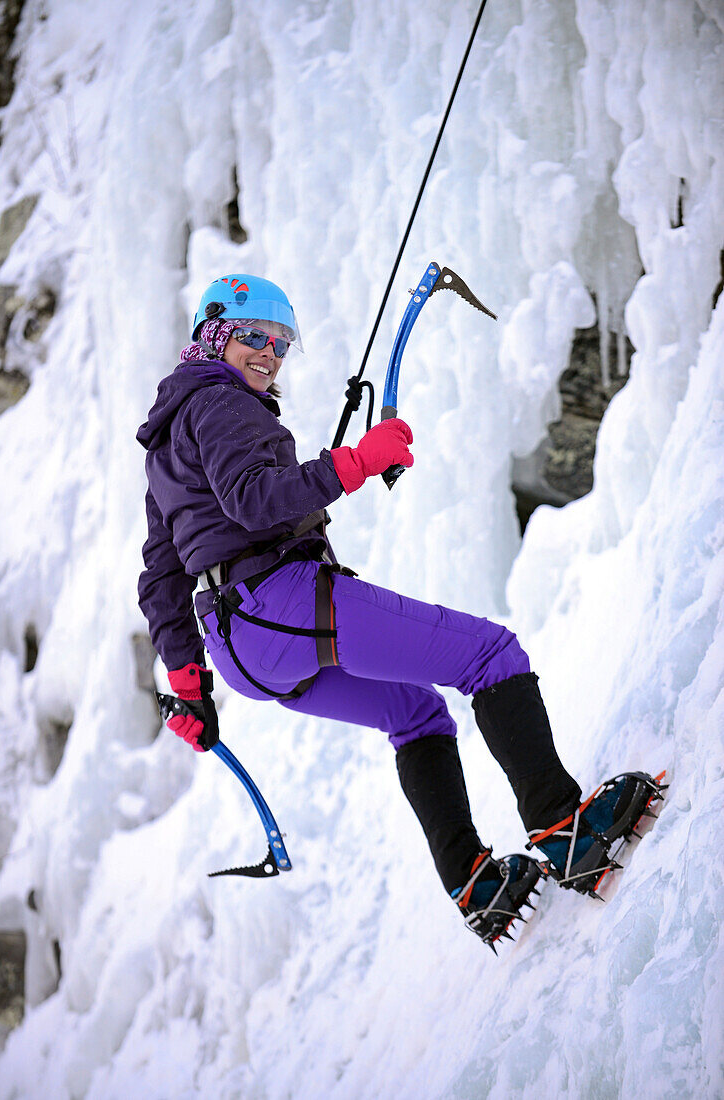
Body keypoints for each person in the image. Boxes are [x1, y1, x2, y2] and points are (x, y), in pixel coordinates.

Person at [137, 273, 659, 945]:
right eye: (253, 338)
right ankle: (567, 832)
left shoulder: (168, 441)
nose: (268, 354)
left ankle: (476, 884)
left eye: (281, 343)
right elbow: (255, 500)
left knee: (416, 714)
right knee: (490, 654)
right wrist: (353, 464)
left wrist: (187, 683)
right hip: (279, 604)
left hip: (242, 651)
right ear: (214, 336)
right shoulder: (221, 401)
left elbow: (161, 575)